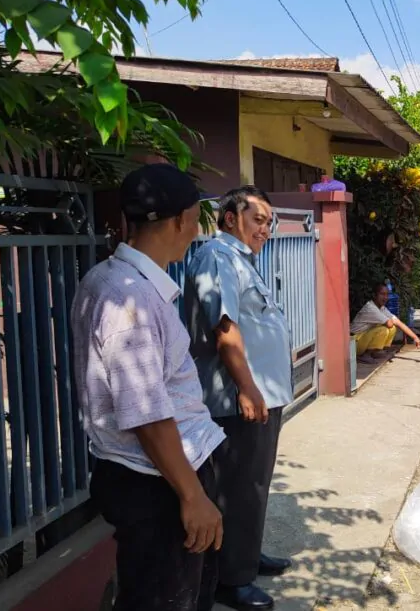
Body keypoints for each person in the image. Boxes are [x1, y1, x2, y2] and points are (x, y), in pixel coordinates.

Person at [72, 164, 224, 611]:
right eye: (195, 220)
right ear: (180, 221)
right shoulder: (129, 298)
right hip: (156, 482)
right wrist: (192, 495)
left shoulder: (112, 280)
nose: (196, 232)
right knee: (163, 598)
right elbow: (147, 413)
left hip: (162, 473)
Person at [184, 186, 294, 611]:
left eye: (269, 222)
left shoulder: (242, 260)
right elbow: (225, 330)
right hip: (237, 399)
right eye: (258, 220)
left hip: (261, 396)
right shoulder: (217, 257)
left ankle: (246, 555)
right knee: (238, 485)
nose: (265, 229)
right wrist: (247, 388)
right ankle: (231, 579)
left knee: (254, 484)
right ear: (230, 218)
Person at [350, 283, 420, 363]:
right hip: (354, 343)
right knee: (383, 329)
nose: (385, 297)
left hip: (361, 339)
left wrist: (415, 338)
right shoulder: (370, 308)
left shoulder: (381, 308)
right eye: (382, 294)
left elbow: (399, 323)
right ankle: (365, 355)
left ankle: (377, 351)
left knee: (392, 328)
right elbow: (390, 323)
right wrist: (392, 320)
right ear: (374, 295)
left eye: (387, 294)